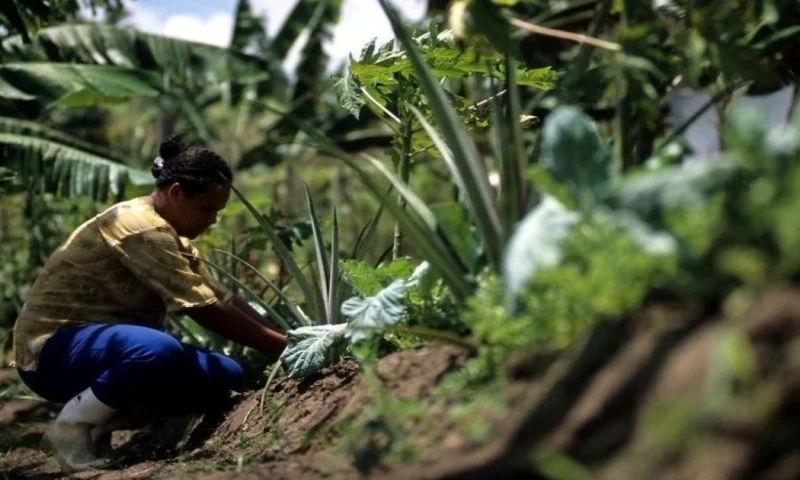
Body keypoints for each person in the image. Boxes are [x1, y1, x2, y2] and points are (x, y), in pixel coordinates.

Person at [9, 135, 287, 473]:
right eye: (207, 209)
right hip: (51, 353)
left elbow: (221, 297)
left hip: (104, 350)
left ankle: (98, 424)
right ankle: (70, 429)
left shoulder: (171, 235)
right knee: (156, 351)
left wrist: (289, 337)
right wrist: (285, 349)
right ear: (175, 193)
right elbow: (203, 310)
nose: (213, 219)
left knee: (226, 376)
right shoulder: (139, 227)